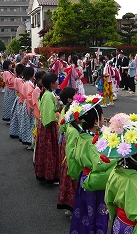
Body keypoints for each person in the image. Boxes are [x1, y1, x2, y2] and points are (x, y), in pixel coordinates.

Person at [63, 96, 117, 234]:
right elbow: (100, 164)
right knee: (97, 216)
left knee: (84, 214)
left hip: (85, 179)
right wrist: (117, 159)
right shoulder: (91, 142)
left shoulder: (82, 135)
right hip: (95, 183)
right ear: (96, 120)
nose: (104, 119)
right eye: (102, 116)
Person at [34, 72, 60, 184]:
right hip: (48, 126)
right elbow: (50, 115)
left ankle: (44, 173)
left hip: (44, 125)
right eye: (56, 80)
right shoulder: (49, 95)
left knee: (45, 150)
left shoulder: (46, 93)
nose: (58, 82)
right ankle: (50, 176)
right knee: (50, 151)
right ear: (52, 83)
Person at [57, 87, 77, 216]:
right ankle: (72, 205)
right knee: (72, 174)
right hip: (71, 146)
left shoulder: (65, 109)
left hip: (65, 141)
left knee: (67, 173)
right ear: (70, 99)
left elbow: (62, 125)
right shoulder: (71, 112)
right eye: (76, 95)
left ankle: (69, 204)